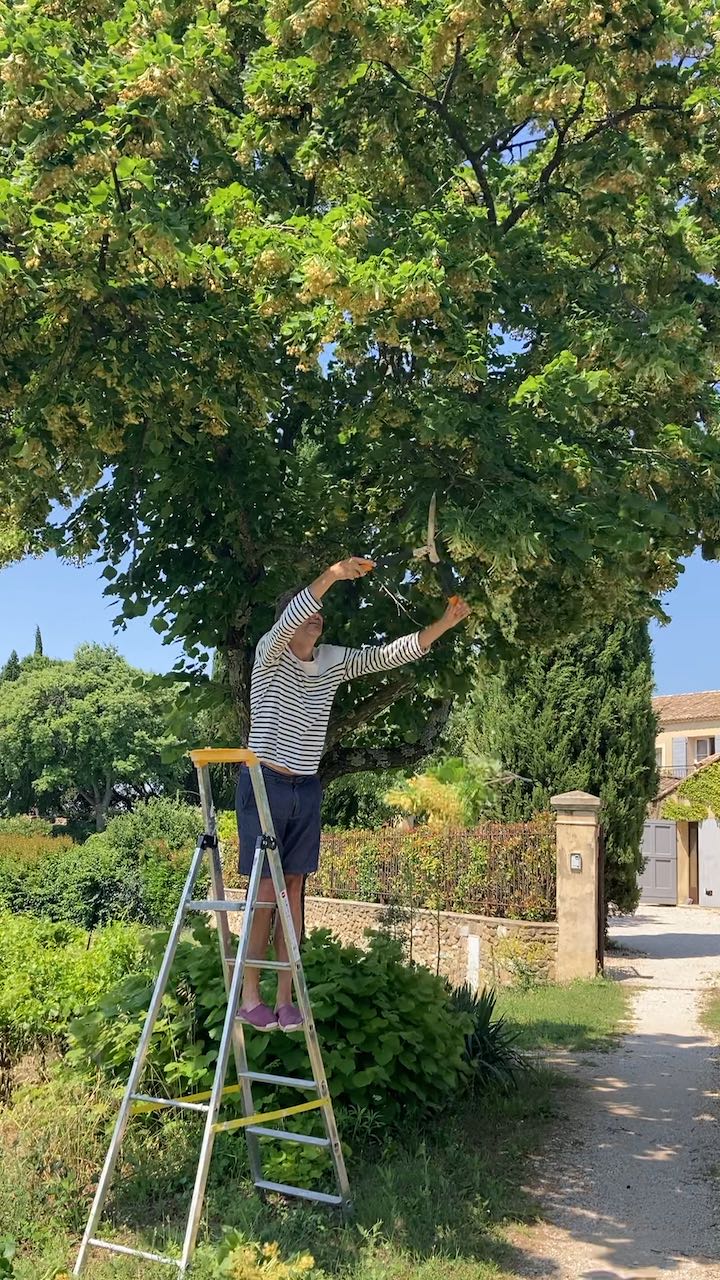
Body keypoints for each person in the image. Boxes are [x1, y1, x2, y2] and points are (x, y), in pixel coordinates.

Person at [236, 556, 471, 1032]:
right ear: (290, 621)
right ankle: (249, 996)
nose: (317, 617)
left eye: (320, 614)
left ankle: (285, 999)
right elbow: (296, 610)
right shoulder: (270, 653)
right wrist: (332, 575)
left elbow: (386, 655)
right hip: (264, 782)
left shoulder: (330, 660)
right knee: (265, 890)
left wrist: (443, 625)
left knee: (294, 888)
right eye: (310, 611)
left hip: (305, 787)